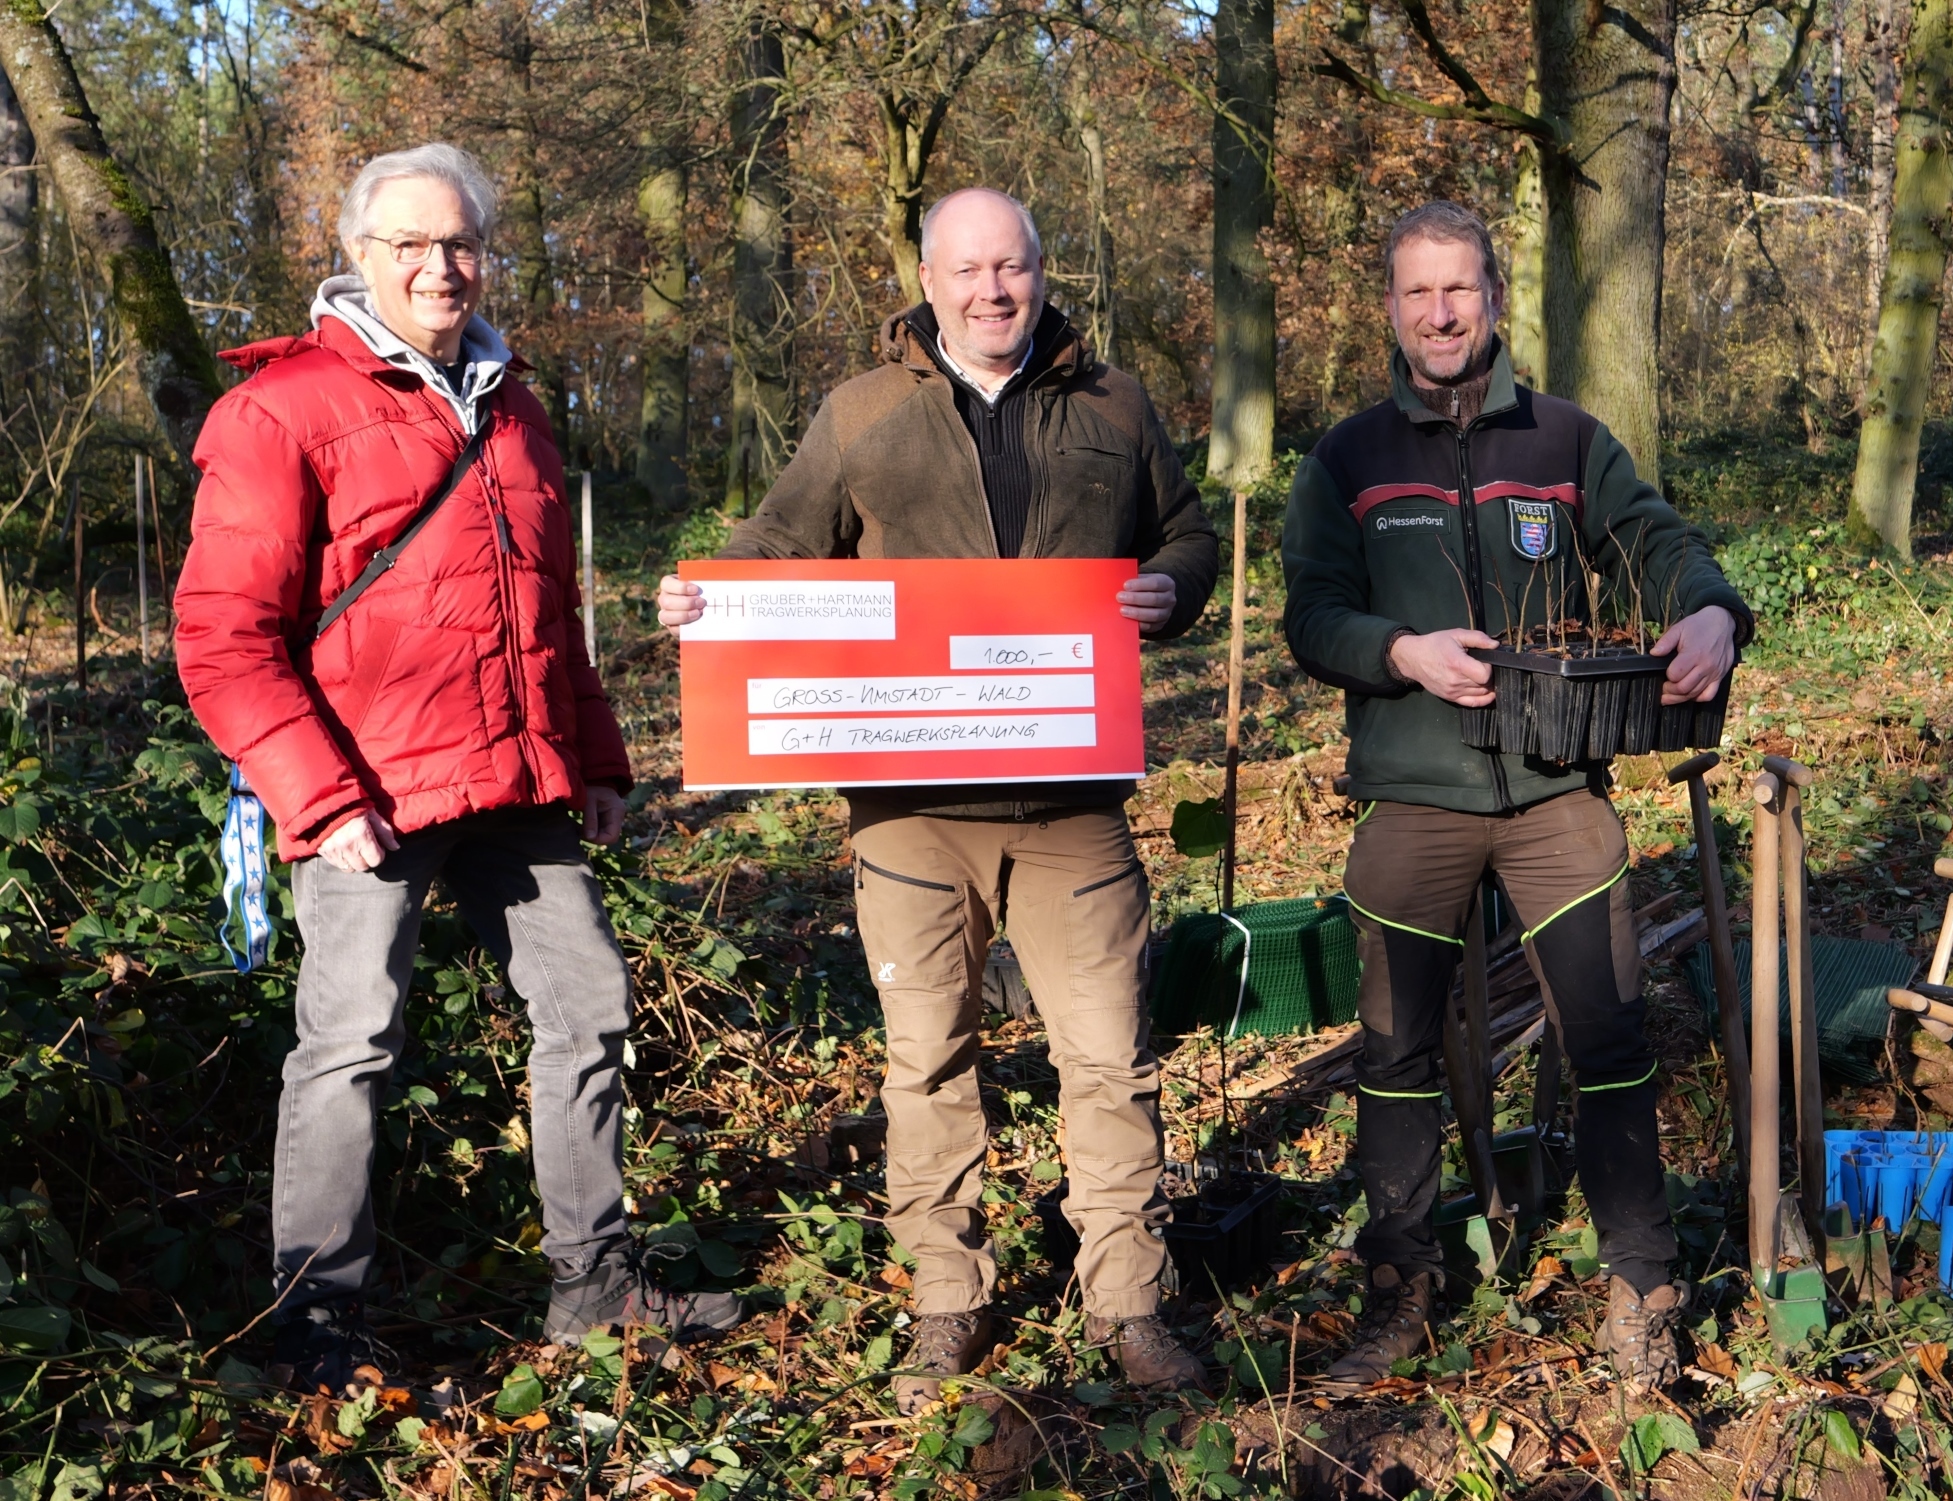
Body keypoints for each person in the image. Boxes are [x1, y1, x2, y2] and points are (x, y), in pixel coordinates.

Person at [175, 143, 742, 1391]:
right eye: (410, 246)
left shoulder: (516, 405)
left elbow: (552, 607)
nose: (440, 267)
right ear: (359, 257)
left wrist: (593, 754)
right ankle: (316, 1322)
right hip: (364, 794)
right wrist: (318, 799)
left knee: (588, 1012)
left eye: (461, 244)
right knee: (349, 1044)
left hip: (517, 779)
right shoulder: (281, 408)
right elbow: (221, 638)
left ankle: (595, 1289)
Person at [657, 187, 1218, 1409]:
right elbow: (778, 541)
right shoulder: (862, 414)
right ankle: (946, 1297)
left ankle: (1128, 1298)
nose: (990, 291)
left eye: (1010, 267)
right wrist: (707, 597)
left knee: (1109, 1055)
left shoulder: (1113, 402)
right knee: (925, 1059)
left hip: (1070, 797)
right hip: (908, 807)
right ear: (927, 274)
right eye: (966, 270)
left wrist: (1170, 592)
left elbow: (1185, 536)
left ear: (1037, 267)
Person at [1282, 201, 1752, 1393]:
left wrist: (1707, 608)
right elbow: (1310, 616)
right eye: (1414, 294)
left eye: (1458, 290)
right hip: (1413, 793)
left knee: (1606, 1034)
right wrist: (1400, 653)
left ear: (1493, 295)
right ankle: (1399, 1289)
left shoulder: (1565, 439)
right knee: (1390, 1052)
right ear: (1387, 309)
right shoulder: (1345, 459)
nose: (1438, 314)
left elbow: (1656, 540)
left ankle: (1640, 1283)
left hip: (1554, 792)